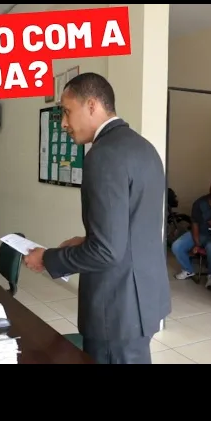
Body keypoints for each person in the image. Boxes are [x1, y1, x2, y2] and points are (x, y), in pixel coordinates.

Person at [24, 72, 170, 365]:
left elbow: (106, 251)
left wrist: (49, 258)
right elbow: (134, 226)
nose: (64, 123)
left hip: (115, 308)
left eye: (67, 111)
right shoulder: (144, 148)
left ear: (92, 105)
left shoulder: (103, 155)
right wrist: (86, 240)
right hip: (144, 298)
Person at [171, 179, 211, 287]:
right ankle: (188, 270)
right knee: (177, 246)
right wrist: (197, 244)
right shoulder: (200, 203)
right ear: (210, 188)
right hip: (199, 232)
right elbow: (195, 224)